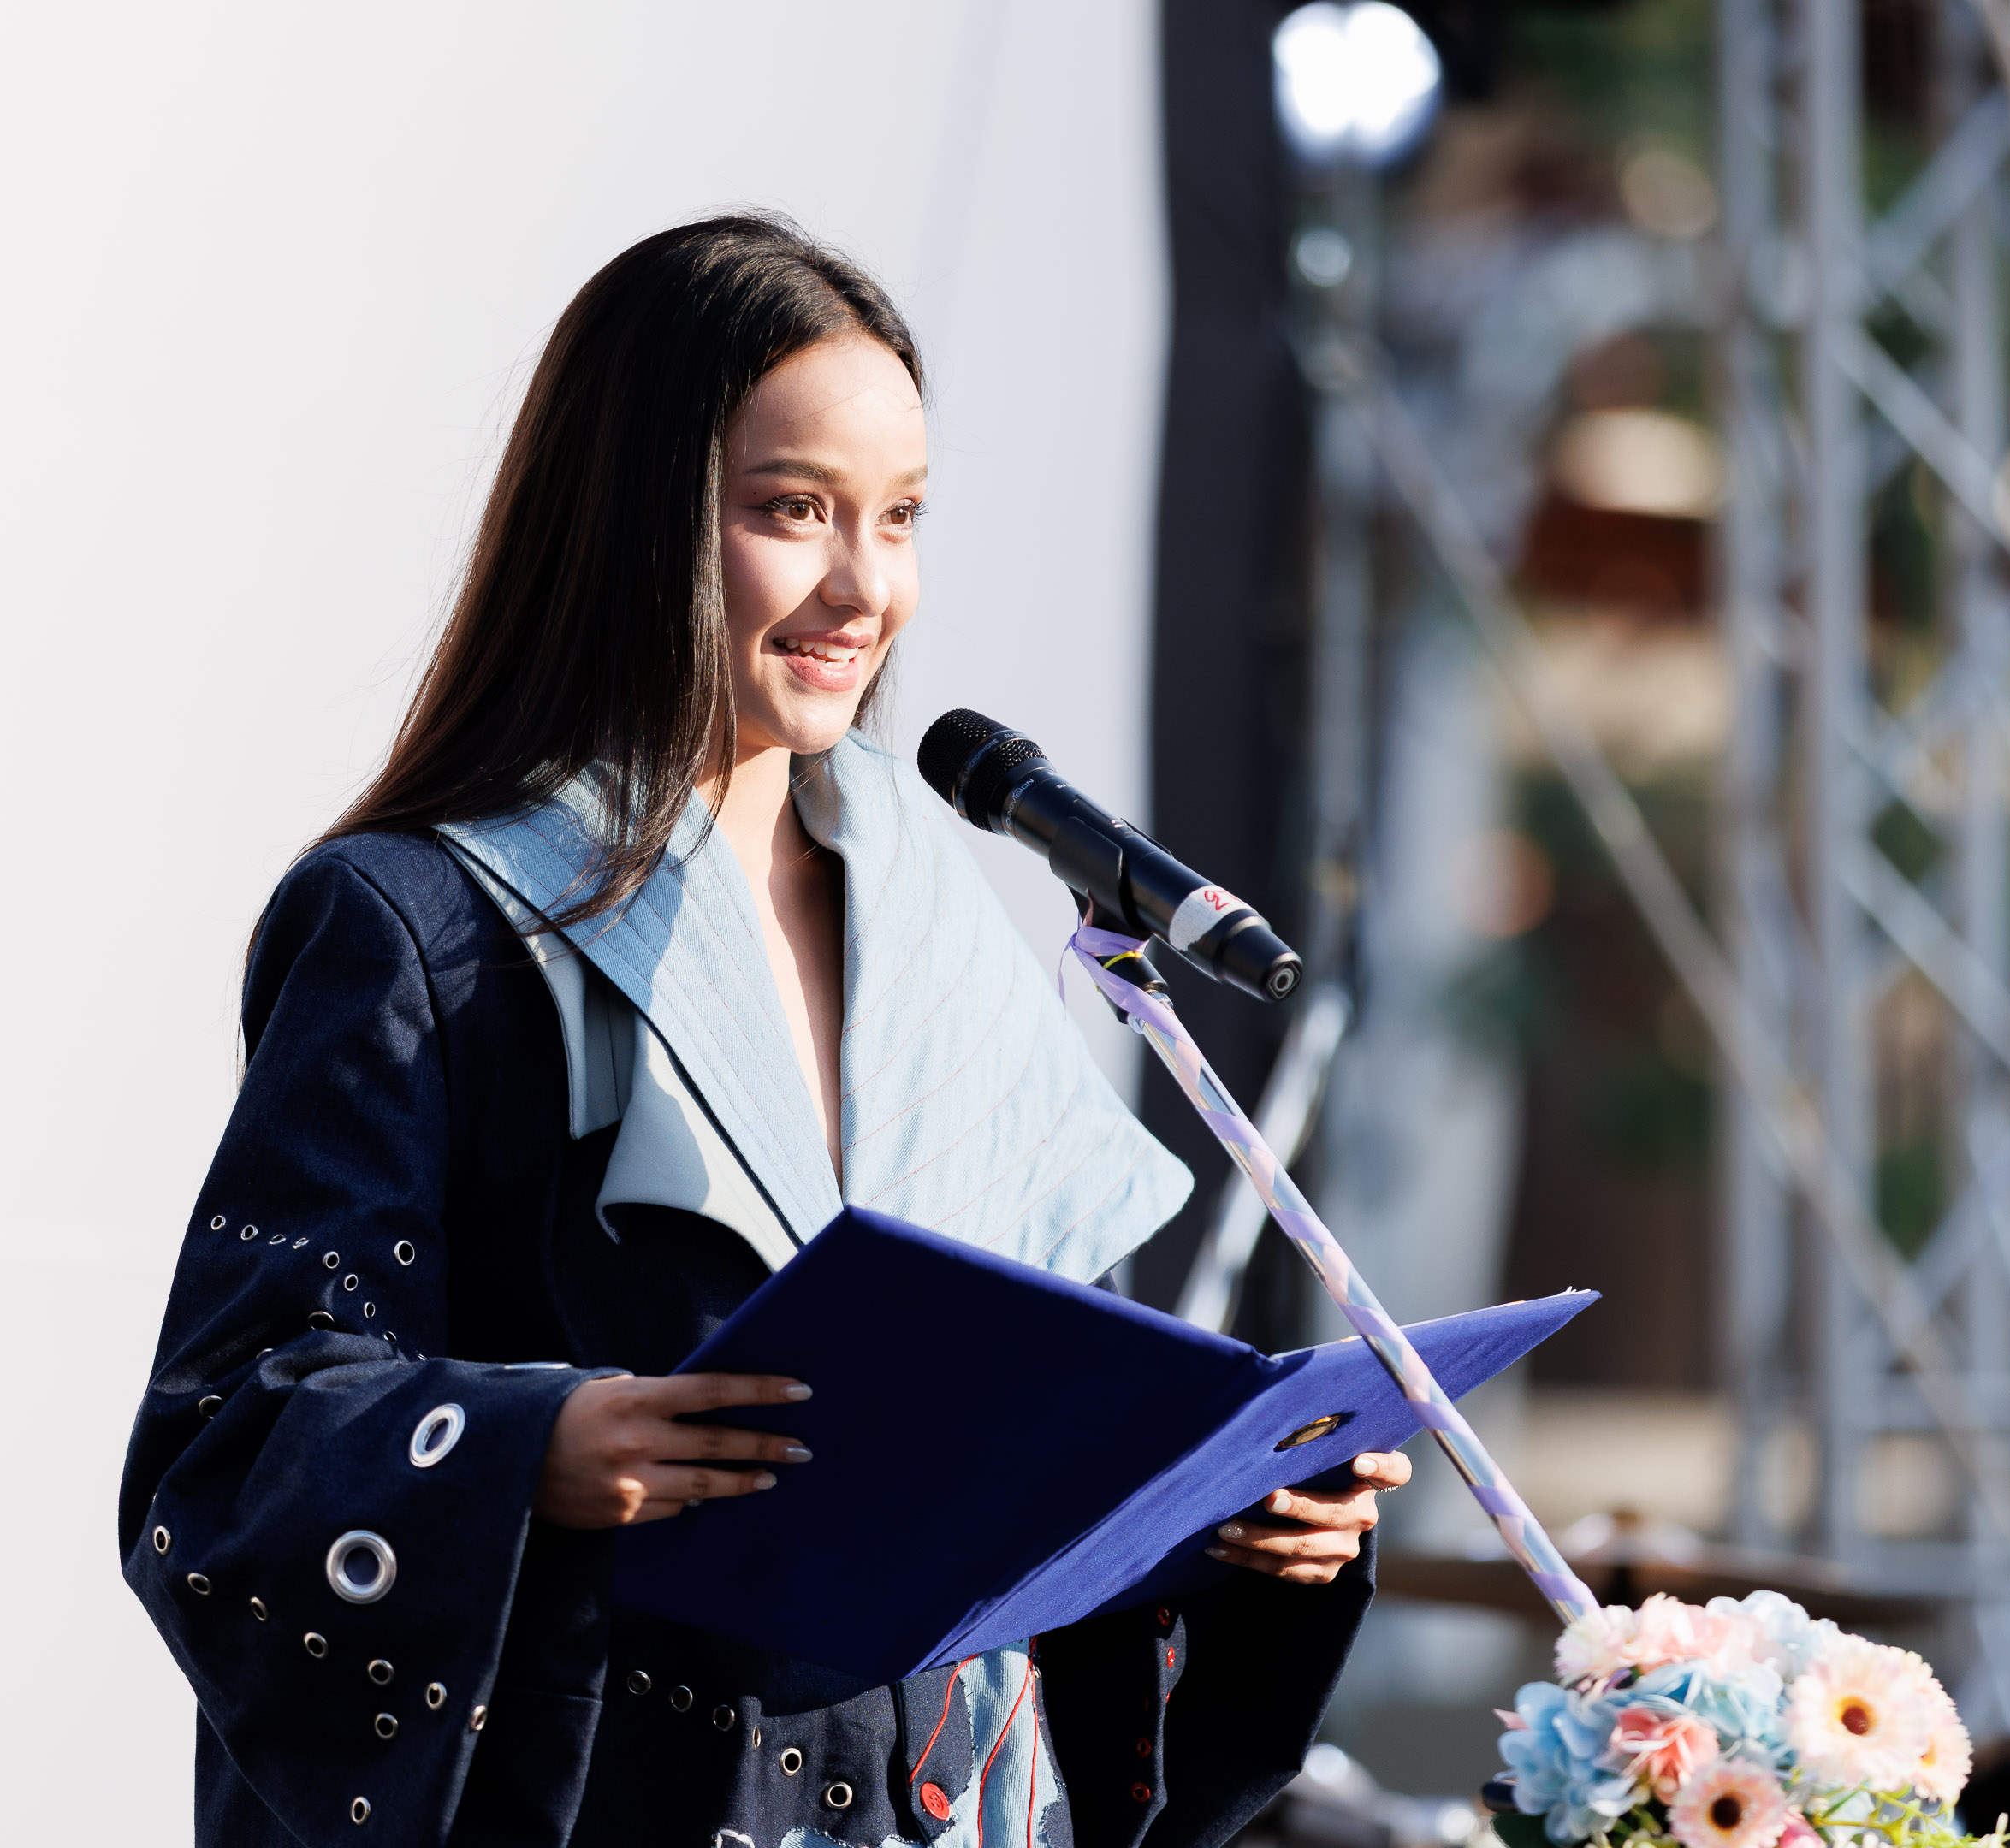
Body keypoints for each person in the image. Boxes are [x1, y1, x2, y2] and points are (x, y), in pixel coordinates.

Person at [120, 214, 1410, 1848]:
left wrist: (1230, 1512)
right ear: (636, 518)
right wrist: (533, 1448)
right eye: (793, 510)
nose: (866, 588)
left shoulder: (942, 920)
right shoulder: (420, 924)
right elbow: (225, 1440)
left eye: (901, 516)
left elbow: (1021, 1452)